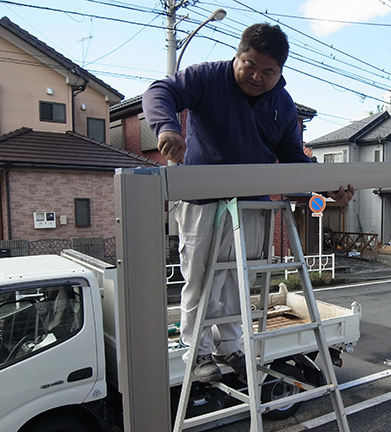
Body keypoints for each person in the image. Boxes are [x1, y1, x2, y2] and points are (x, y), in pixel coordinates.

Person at [143, 23, 354, 383]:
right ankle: (197, 352)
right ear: (237, 55)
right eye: (248, 65)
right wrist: (166, 128)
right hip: (203, 199)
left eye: (267, 71)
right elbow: (160, 91)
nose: (256, 76)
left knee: (237, 280)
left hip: (251, 204)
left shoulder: (283, 105)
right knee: (199, 277)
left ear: (280, 71)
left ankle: (230, 346)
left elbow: (291, 157)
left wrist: (325, 186)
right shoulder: (208, 77)